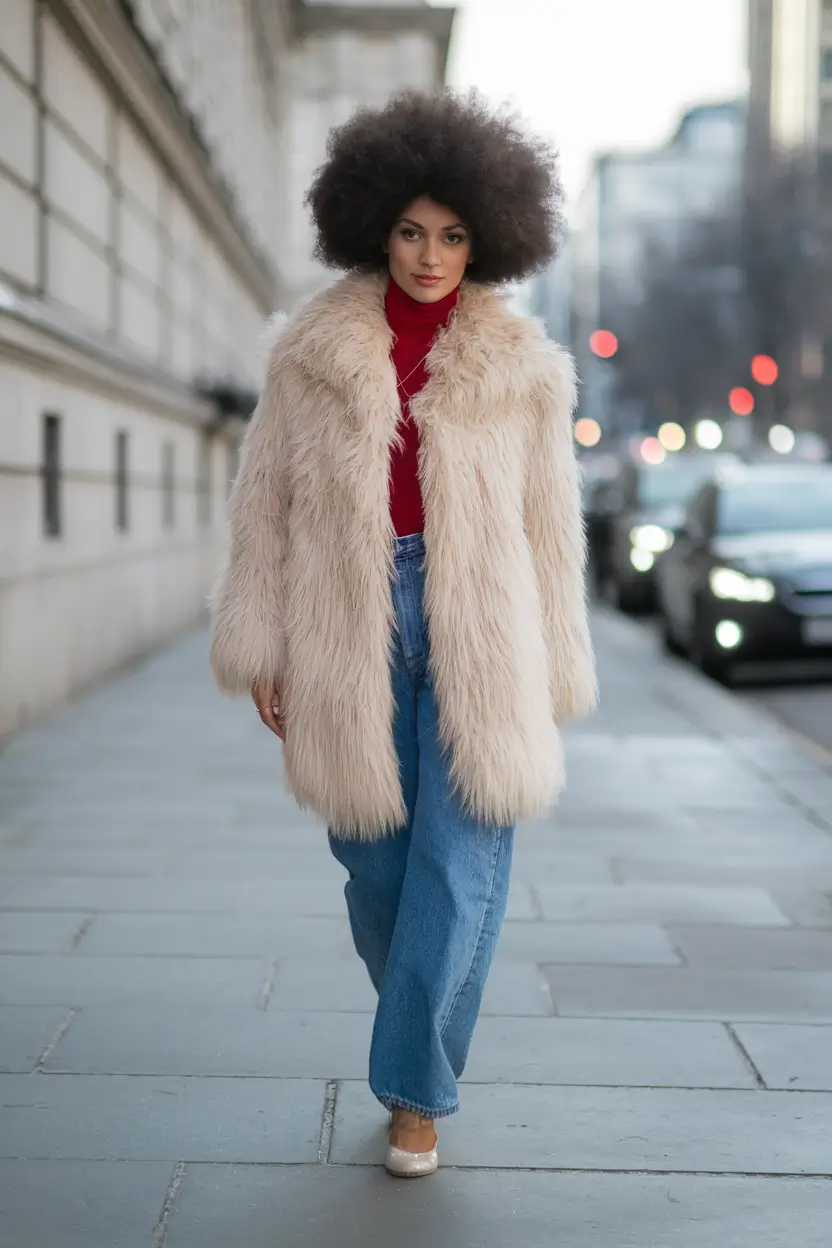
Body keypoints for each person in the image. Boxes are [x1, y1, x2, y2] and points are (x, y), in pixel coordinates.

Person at [209, 89, 596, 1179]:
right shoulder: (311, 353)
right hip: (349, 619)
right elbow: (264, 505)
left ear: (488, 237)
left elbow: (548, 527)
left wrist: (556, 664)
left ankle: (414, 1096)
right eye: (413, 230)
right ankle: (419, 1033)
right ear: (374, 226)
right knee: (375, 876)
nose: (431, 255)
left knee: (455, 873)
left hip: (483, 627)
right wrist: (263, 639)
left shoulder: (522, 367)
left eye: (455, 234)